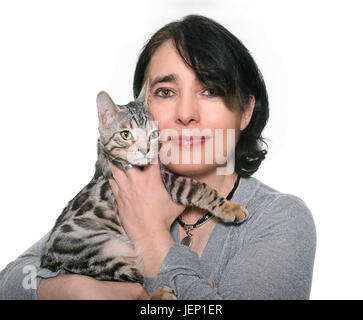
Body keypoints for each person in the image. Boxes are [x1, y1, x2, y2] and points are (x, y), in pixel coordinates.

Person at [0, 15, 316, 300]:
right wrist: (67, 289)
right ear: (140, 110)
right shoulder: (121, 191)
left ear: (245, 111)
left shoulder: (278, 217)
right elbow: (12, 280)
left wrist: (150, 232)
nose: (186, 114)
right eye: (165, 92)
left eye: (210, 90)